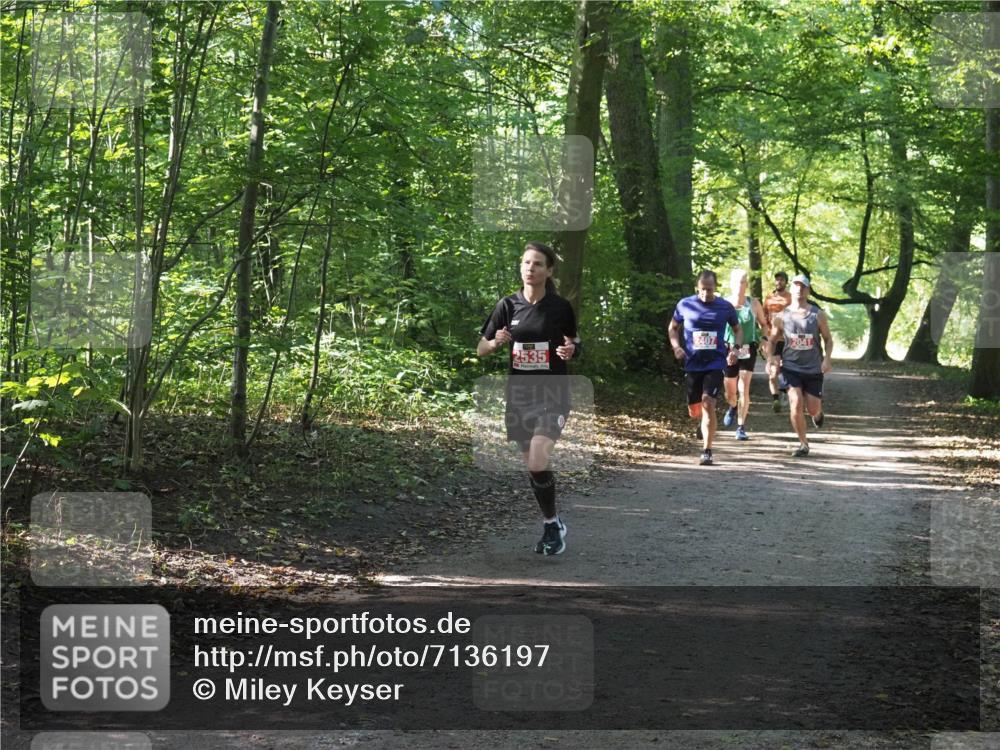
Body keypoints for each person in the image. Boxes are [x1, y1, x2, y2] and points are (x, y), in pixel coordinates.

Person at [478, 242, 581, 556]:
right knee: (533, 465)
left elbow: (574, 342)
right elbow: (480, 348)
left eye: (537, 263)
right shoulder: (507, 306)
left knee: (538, 456)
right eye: (526, 262)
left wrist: (571, 350)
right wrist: (496, 342)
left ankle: (551, 526)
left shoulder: (561, 307)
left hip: (553, 393)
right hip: (520, 396)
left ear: (548, 271)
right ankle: (552, 521)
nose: (530, 268)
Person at [668, 270, 742, 466]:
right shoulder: (685, 304)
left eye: (709, 290)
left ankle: (707, 451)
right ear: (697, 287)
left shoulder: (724, 307)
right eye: (702, 290)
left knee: (708, 402)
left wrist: (735, 349)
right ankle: (701, 422)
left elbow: (737, 330)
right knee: (695, 409)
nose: (706, 294)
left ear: (715, 287)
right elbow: (673, 327)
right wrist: (676, 347)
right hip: (693, 363)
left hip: (716, 363)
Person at [768, 274, 833, 457]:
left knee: (812, 408)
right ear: (792, 288)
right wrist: (771, 359)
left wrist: (827, 359)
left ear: (808, 290)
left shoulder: (817, 314)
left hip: (813, 368)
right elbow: (772, 340)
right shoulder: (781, 316)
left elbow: (828, 340)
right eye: (796, 285)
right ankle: (803, 444)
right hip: (790, 368)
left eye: (803, 286)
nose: (799, 288)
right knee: (795, 403)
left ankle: (818, 414)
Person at [722, 269, 768, 441]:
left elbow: (764, 324)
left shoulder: (754, 304)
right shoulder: (724, 303)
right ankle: (732, 407)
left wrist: (764, 339)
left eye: (743, 282)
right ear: (731, 284)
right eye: (737, 282)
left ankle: (741, 426)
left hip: (748, 349)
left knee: (744, 387)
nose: (740, 286)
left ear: (746, 284)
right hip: (728, 350)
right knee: (730, 392)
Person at [763, 271, 792, 412]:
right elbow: (763, 318)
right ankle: (776, 399)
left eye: (782, 280)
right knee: (773, 372)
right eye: (777, 280)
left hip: (787, 339)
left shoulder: (790, 298)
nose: (779, 282)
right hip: (772, 340)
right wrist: (764, 336)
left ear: (786, 282)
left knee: (786, 369)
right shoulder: (768, 298)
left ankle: (785, 393)